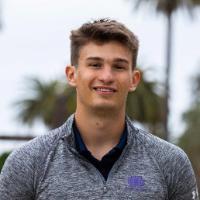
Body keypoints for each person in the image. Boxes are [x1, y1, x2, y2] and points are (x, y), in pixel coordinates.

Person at [0, 18, 199, 200]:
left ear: (134, 79)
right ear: (72, 75)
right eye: (95, 64)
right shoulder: (28, 162)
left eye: (119, 66)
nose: (106, 76)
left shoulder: (170, 162)